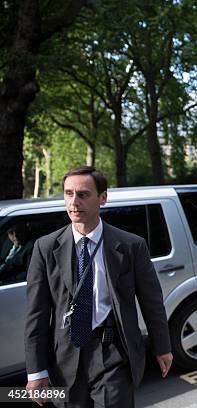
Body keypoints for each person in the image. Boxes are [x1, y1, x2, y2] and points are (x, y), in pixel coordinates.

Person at [24, 166, 173, 407]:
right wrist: (36, 371)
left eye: (83, 194)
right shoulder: (45, 247)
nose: (74, 202)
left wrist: (162, 347)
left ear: (102, 198)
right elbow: (36, 314)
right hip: (64, 356)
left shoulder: (131, 246)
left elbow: (151, 301)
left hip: (112, 353)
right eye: (68, 193)